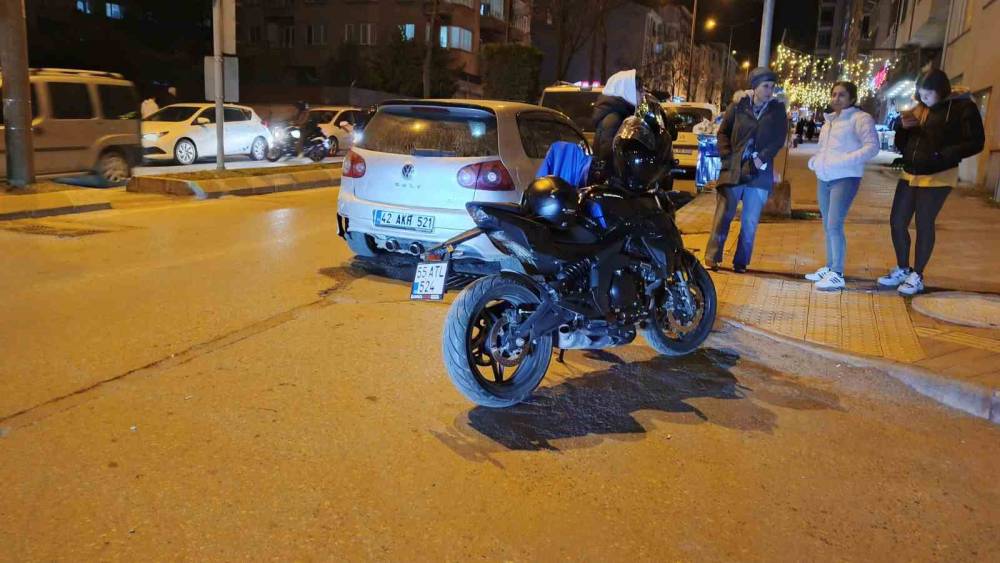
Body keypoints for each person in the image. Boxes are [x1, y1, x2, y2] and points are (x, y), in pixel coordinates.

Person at [878, 69, 985, 295]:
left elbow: (976, 142)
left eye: (927, 95)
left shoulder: (963, 107)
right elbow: (905, 143)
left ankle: (917, 275)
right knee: (897, 221)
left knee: (924, 222)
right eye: (921, 94)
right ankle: (903, 269)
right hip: (911, 171)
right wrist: (903, 128)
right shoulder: (920, 108)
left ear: (941, 91)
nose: (923, 99)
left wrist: (944, 155)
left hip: (939, 174)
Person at [704, 67, 788, 273]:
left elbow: (778, 140)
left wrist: (760, 159)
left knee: (750, 221)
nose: (770, 90)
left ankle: (741, 262)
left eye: (772, 86)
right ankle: (713, 257)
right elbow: (723, 133)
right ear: (755, 86)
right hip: (733, 168)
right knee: (723, 215)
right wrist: (727, 155)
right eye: (765, 86)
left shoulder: (777, 110)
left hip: (759, 172)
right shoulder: (738, 106)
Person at [804, 81, 880, 291]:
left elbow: (872, 147)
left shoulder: (860, 118)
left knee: (834, 224)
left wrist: (844, 161)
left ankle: (837, 273)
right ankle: (830, 266)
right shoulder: (830, 121)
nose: (836, 98)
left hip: (845, 178)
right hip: (824, 177)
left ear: (852, 98)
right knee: (827, 224)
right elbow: (823, 148)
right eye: (834, 94)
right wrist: (815, 161)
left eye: (842, 95)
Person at [591, 69, 640, 182]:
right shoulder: (614, 119)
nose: (642, 94)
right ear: (626, 89)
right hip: (613, 185)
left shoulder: (622, 114)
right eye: (638, 89)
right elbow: (607, 156)